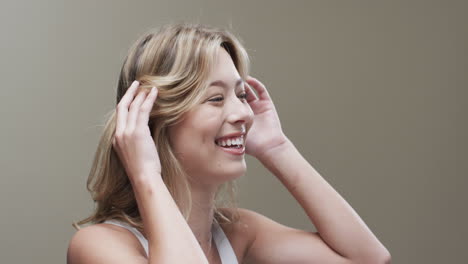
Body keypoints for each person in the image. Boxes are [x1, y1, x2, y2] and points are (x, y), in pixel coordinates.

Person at [67, 23, 391, 264]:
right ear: (155, 121)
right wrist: (146, 175)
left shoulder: (238, 232)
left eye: (240, 95)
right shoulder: (98, 246)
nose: (243, 112)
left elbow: (370, 260)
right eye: (216, 98)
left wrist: (277, 147)